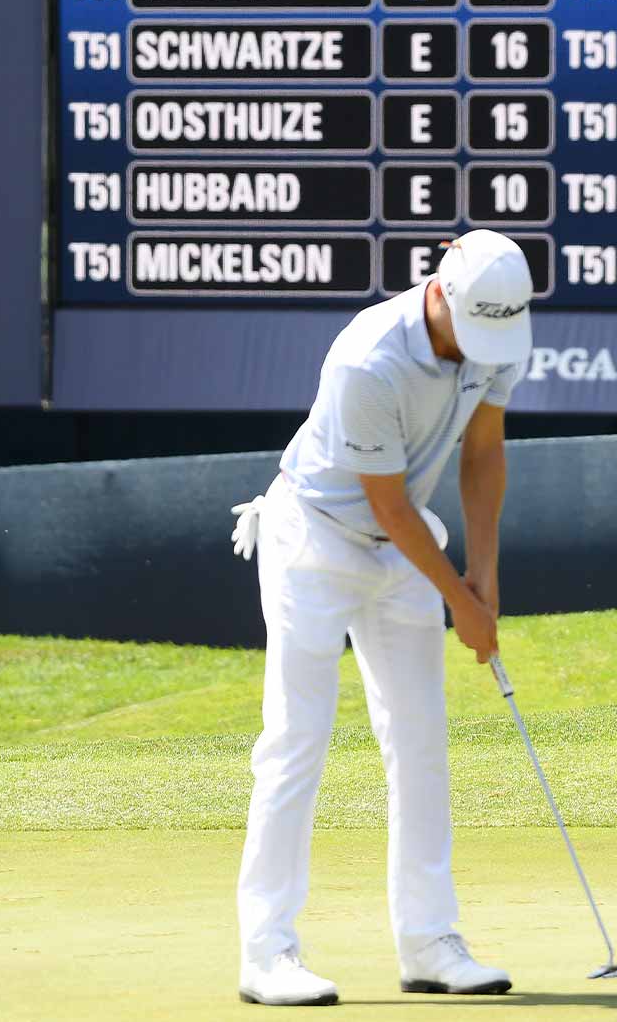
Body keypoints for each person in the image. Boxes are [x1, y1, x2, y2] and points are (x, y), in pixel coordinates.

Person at [227, 230, 535, 1005]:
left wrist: (484, 574)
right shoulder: (368, 356)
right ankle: (267, 953)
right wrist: (458, 601)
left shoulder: (499, 334)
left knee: (421, 741)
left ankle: (430, 942)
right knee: (297, 738)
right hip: (313, 541)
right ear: (441, 293)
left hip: (402, 548)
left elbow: (484, 452)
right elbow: (386, 501)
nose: (480, 350)